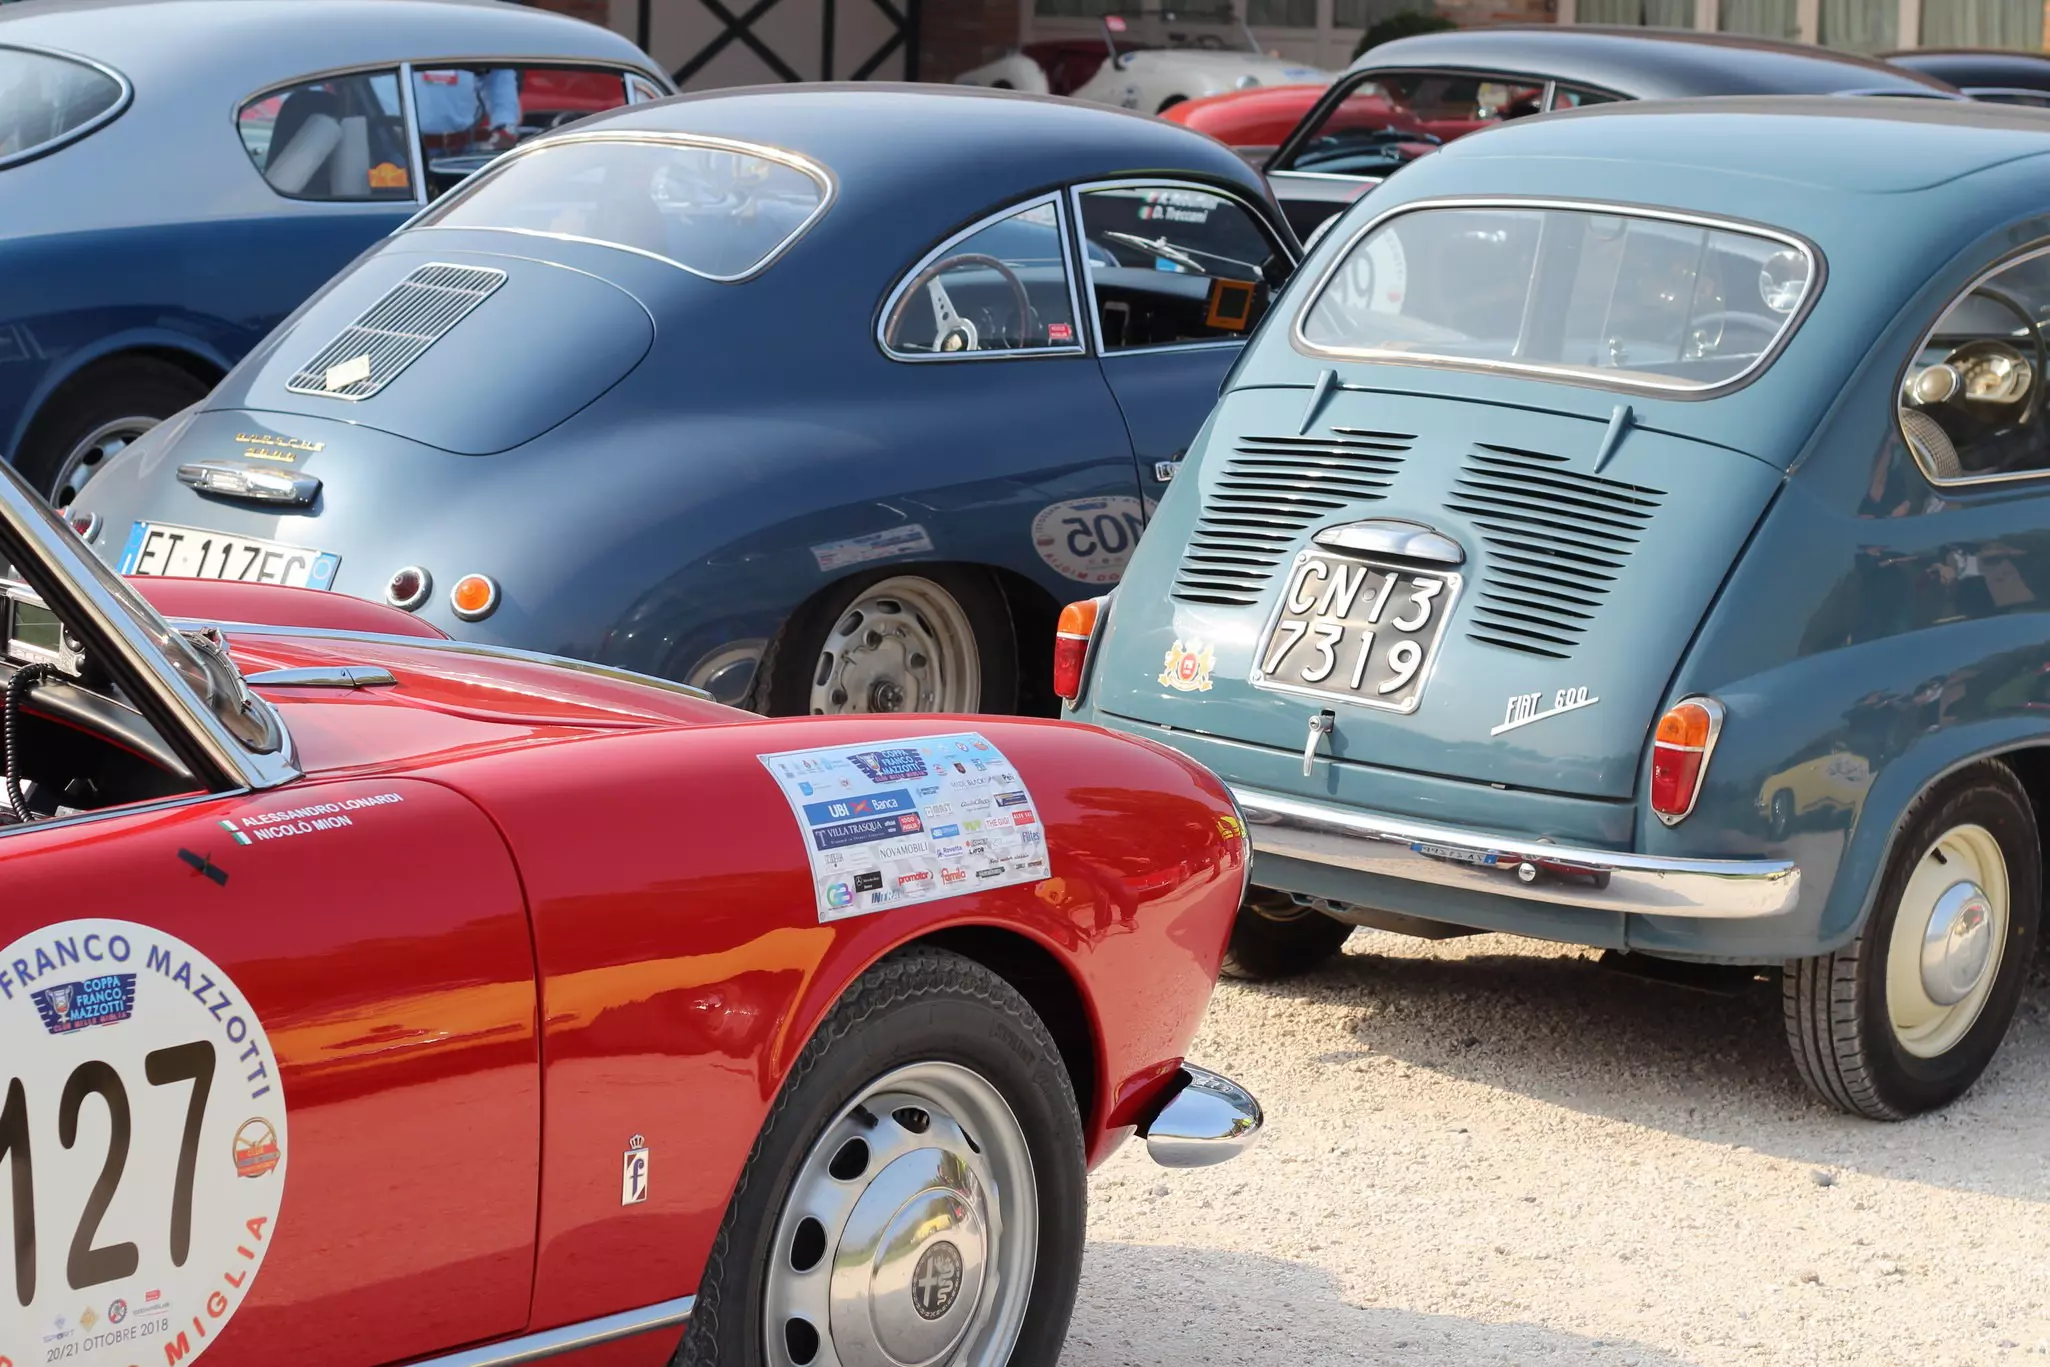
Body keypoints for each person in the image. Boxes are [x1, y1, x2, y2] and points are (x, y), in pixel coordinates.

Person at [411, 67, 520, 156]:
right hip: (405, 148)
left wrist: (504, 127)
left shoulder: (473, 40)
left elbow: (499, 75)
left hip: (464, 147)